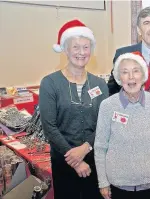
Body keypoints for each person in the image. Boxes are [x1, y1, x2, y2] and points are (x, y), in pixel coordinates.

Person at [39, 19, 108, 199]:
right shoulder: (50, 83)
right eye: (76, 47)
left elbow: (105, 122)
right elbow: (49, 127)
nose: (81, 52)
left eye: (86, 47)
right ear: (65, 49)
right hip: (64, 160)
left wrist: (86, 147)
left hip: (94, 159)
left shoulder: (100, 84)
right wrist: (76, 161)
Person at [94, 51, 150, 199]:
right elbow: (100, 146)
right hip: (118, 185)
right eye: (125, 72)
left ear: (143, 76)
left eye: (136, 71)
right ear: (118, 77)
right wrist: (103, 182)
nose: (131, 77)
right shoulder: (107, 105)